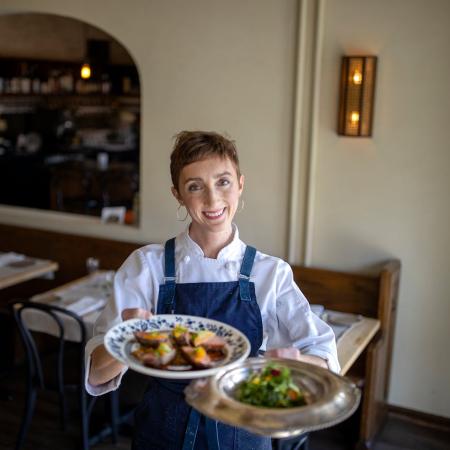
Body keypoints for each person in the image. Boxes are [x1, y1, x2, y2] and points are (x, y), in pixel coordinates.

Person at [85, 130, 340, 450]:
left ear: (240, 184)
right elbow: (96, 374)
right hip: (161, 437)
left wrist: (298, 364)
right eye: (195, 186)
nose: (212, 199)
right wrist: (126, 340)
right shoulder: (146, 266)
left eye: (223, 182)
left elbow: (324, 354)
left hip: (244, 437)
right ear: (177, 194)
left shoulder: (270, 274)